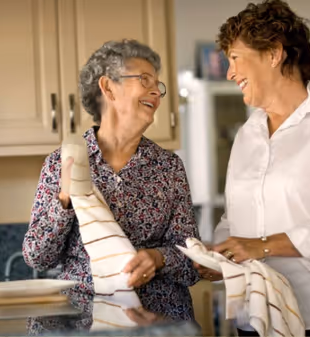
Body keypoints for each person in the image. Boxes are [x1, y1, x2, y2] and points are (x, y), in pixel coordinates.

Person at [195, 0, 310, 336]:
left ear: (273, 54)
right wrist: (218, 255)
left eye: (235, 59)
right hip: (257, 313)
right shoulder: (247, 134)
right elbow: (234, 218)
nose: (230, 73)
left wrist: (263, 245)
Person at [23, 39, 200, 321]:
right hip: (83, 318)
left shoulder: (168, 167)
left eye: (158, 85)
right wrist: (65, 200)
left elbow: (192, 263)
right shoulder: (62, 162)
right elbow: (37, 257)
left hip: (158, 320)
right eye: (144, 80)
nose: (156, 91)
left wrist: (157, 258)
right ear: (107, 88)